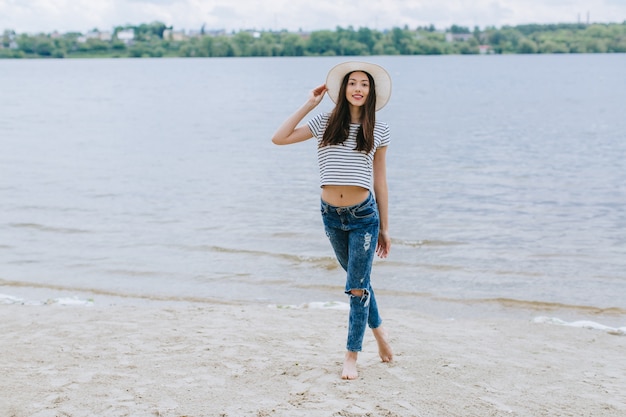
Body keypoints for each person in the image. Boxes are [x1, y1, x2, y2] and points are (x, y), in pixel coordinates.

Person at [271, 61, 393, 380]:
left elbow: (380, 181)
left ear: (371, 91)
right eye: (352, 83)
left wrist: (386, 227)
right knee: (359, 281)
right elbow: (279, 138)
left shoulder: (379, 129)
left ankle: (351, 357)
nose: (357, 88)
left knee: (355, 287)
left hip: (364, 215)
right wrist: (309, 104)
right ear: (343, 89)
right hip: (331, 216)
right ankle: (380, 333)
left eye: (364, 84)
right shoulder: (324, 122)